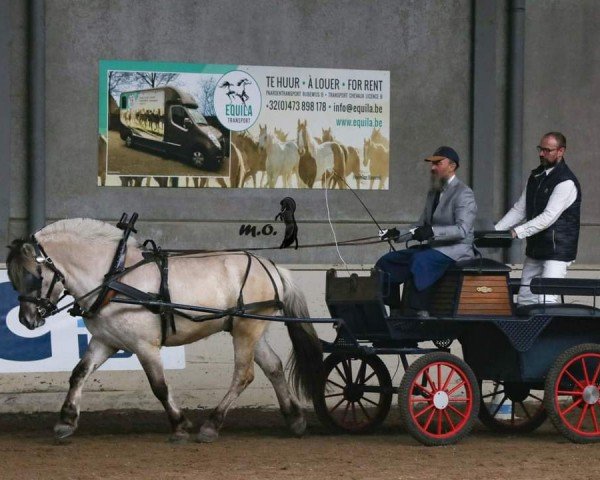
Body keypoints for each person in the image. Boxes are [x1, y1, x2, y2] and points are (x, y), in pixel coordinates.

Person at [376, 146, 477, 317]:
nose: (432, 168)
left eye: (437, 163)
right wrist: (397, 234)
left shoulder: (464, 193)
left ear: (452, 166)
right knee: (387, 262)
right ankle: (394, 311)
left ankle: (418, 311)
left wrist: (432, 232)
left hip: (456, 250)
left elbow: (462, 230)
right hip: (434, 248)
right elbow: (421, 225)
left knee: (420, 260)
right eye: (432, 164)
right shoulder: (433, 193)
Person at [495, 132, 581, 305]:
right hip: (536, 249)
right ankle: (525, 332)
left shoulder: (566, 182)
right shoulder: (536, 176)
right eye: (540, 149)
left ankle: (548, 332)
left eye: (547, 150)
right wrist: (496, 231)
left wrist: (515, 232)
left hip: (557, 253)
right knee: (525, 299)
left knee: (546, 301)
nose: (541, 154)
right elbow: (520, 209)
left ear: (561, 151)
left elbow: (548, 218)